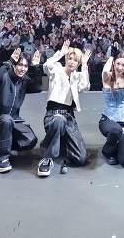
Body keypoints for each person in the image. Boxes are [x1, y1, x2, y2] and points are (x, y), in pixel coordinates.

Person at [0, 47, 43, 174]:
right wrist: (9, 61)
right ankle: (0, 159)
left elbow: (38, 87)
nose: (22, 68)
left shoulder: (24, 81)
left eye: (25, 66)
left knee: (30, 140)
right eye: (20, 64)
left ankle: (3, 146)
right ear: (14, 65)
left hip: (13, 122)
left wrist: (36, 67)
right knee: (6, 119)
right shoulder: (3, 76)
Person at [38, 40, 90, 177]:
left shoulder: (77, 76)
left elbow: (85, 86)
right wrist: (60, 53)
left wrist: (85, 65)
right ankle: (47, 157)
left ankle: (59, 144)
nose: (72, 62)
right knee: (58, 120)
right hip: (53, 115)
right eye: (70, 58)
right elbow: (46, 65)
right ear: (66, 59)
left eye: (75, 60)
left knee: (81, 158)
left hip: (69, 117)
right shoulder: (56, 69)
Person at [98, 44, 124, 168]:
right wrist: (111, 56)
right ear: (114, 63)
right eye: (118, 64)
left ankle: (116, 142)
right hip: (108, 119)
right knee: (115, 130)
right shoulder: (107, 77)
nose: (120, 67)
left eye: (123, 65)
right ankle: (107, 151)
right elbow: (104, 71)